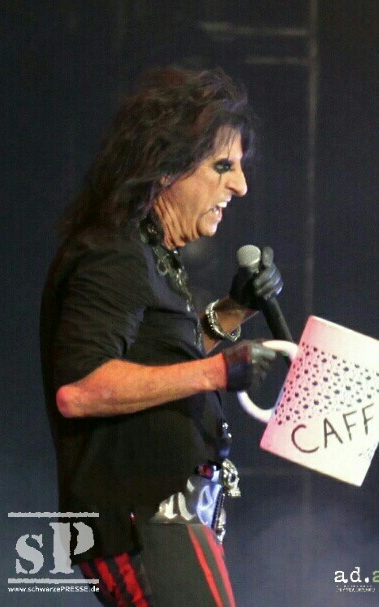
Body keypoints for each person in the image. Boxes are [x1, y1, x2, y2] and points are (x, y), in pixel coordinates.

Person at [40, 67, 284, 607]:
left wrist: (234, 311)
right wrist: (217, 371)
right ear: (166, 167)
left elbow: (156, 363)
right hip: (142, 518)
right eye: (222, 166)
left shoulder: (149, 256)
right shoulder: (114, 252)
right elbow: (81, 389)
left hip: (163, 518)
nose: (240, 186)